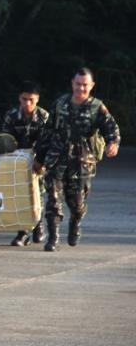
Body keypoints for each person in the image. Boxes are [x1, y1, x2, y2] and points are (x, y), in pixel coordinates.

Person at [34, 67, 120, 252]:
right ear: (72, 84)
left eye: (85, 85)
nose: (81, 89)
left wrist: (113, 143)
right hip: (56, 158)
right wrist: (39, 159)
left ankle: (75, 222)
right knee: (53, 199)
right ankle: (53, 237)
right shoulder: (60, 104)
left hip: (82, 162)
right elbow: (47, 131)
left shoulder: (97, 107)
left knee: (77, 204)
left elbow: (111, 128)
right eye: (78, 85)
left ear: (91, 86)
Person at [1, 80, 49, 247]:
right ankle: (22, 232)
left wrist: (40, 162)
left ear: (37, 99)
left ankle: (38, 226)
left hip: (38, 161)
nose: (27, 103)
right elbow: (6, 141)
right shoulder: (12, 116)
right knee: (19, 195)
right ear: (19, 98)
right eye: (24, 99)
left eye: (31, 100)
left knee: (38, 194)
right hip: (17, 161)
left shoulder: (44, 117)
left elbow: (47, 142)